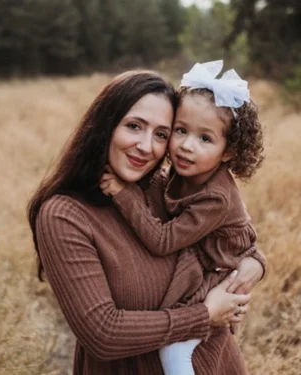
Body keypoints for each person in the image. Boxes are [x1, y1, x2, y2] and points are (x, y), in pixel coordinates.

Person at [27, 69, 265, 374]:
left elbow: (231, 235)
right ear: (105, 126)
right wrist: (204, 315)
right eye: (134, 126)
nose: (145, 146)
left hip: (216, 363)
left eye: (161, 134)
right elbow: (103, 334)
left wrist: (253, 266)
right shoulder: (65, 216)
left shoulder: (161, 188)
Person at [100, 61, 265, 375]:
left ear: (228, 152)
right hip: (202, 266)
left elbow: (164, 240)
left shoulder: (216, 195)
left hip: (216, 275)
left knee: (175, 350)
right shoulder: (184, 171)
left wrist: (124, 194)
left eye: (205, 139)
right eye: (180, 131)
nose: (187, 146)